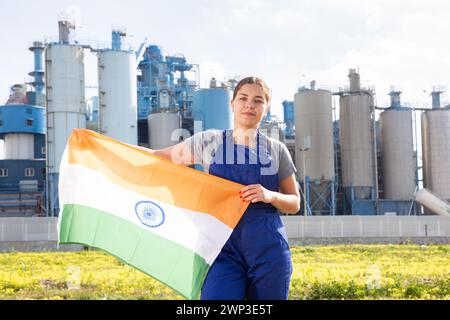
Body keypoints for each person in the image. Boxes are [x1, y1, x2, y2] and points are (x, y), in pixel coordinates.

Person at [148, 76, 300, 300]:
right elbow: (158, 158)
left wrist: (269, 195)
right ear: (232, 104)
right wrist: (105, 147)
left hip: (268, 252)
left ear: (266, 108)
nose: (250, 105)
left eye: (258, 100)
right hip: (221, 249)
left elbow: (295, 202)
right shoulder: (210, 141)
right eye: (243, 98)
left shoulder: (276, 149)